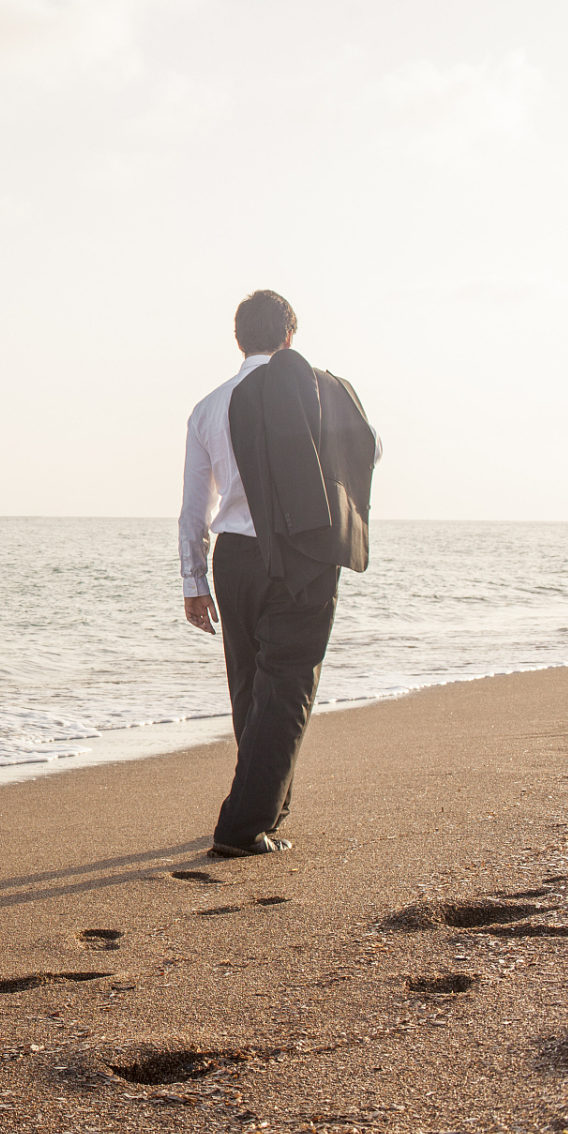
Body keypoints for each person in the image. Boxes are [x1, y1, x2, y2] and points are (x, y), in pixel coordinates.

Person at [179, 291, 380, 857]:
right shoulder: (323, 391)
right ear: (290, 335)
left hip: (235, 557)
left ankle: (264, 804)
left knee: (250, 687)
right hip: (301, 553)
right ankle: (244, 825)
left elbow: (194, 506)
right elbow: (371, 451)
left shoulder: (209, 407)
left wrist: (193, 582)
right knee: (288, 686)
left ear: (238, 339)